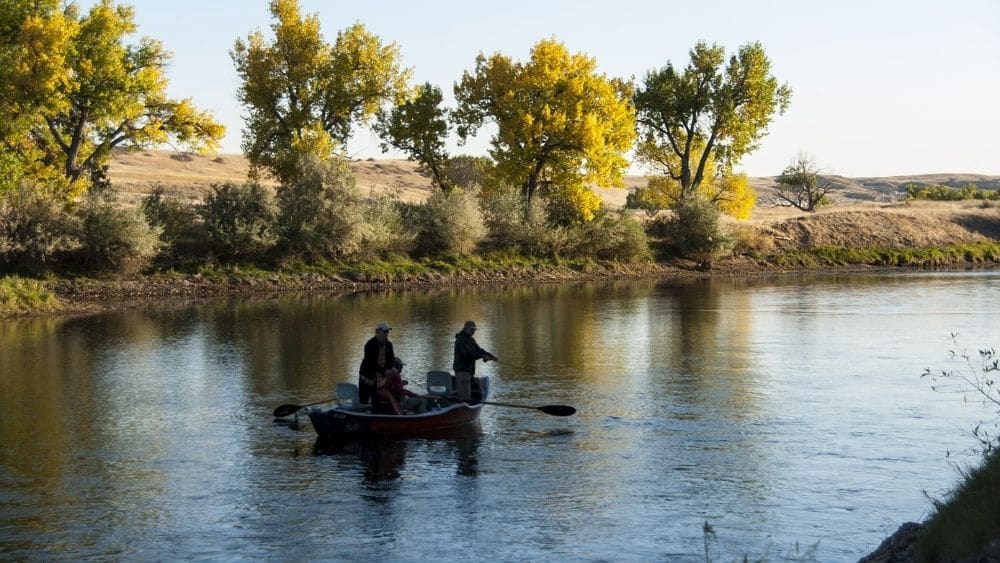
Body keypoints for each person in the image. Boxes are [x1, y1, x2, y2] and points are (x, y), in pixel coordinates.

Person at [452, 320, 497, 402]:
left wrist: (490, 355)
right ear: (466, 328)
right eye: (471, 329)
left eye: (474, 330)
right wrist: (482, 356)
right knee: (465, 398)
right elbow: (467, 355)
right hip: (462, 372)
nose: (473, 332)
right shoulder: (461, 340)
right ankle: (464, 412)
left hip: (468, 372)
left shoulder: (470, 339)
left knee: (467, 396)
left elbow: (479, 350)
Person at [358, 321, 395, 405]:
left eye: (388, 331)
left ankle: (376, 414)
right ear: (377, 332)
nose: (387, 333)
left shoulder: (389, 345)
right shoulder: (369, 345)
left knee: (376, 402)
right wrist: (384, 371)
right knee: (363, 402)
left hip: (379, 380)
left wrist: (391, 368)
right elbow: (370, 363)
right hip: (366, 377)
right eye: (385, 331)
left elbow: (391, 360)